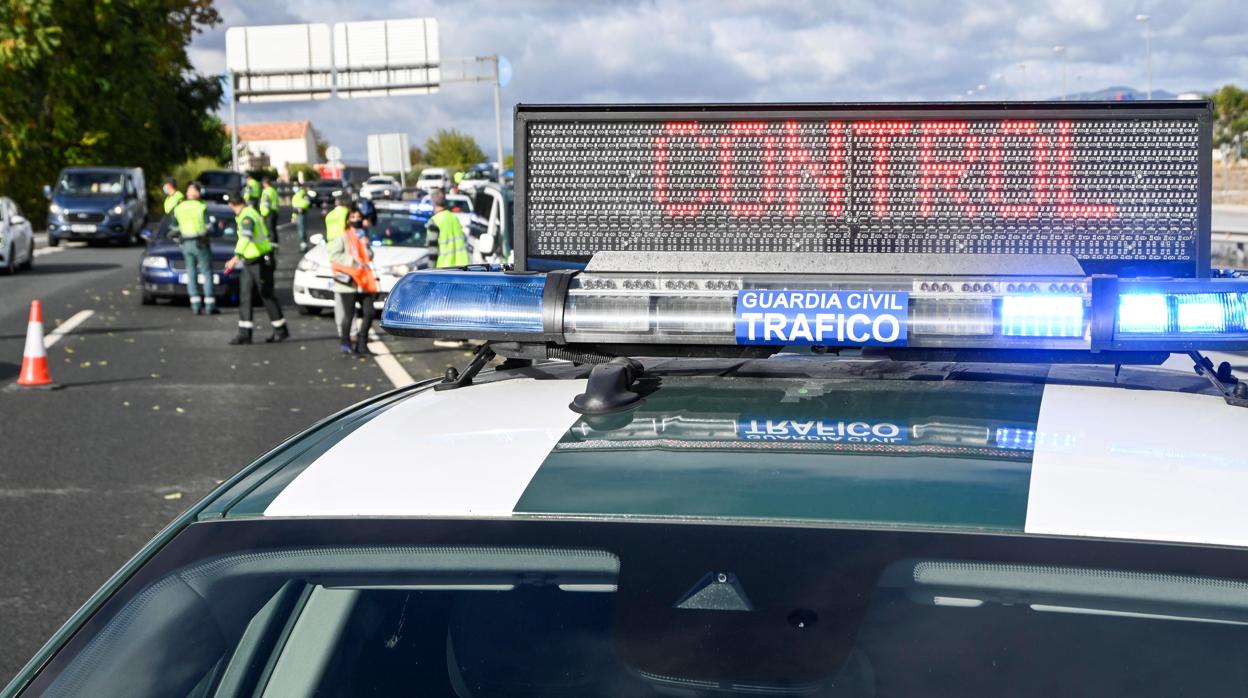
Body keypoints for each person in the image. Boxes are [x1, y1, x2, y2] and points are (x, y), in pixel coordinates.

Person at [223, 194, 289, 345]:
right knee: (245, 295)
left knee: (266, 295)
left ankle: (280, 330)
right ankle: (244, 333)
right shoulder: (247, 213)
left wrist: (235, 257)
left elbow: (246, 236)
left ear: (231, 205)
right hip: (250, 261)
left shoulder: (247, 216)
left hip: (260, 261)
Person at [329, 207, 379, 354]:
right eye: (353, 217)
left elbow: (369, 257)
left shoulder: (363, 236)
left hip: (363, 281)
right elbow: (334, 256)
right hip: (348, 282)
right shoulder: (342, 236)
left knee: (369, 312)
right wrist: (352, 261)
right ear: (347, 220)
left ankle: (362, 341)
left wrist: (365, 243)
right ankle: (345, 342)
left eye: (358, 217)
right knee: (349, 314)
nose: (356, 220)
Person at [171, 184, 217, 315]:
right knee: (207, 273)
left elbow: (173, 228)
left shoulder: (179, 208)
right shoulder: (201, 207)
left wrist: (179, 240)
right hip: (200, 243)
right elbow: (210, 227)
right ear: (198, 193)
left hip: (186, 244)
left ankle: (195, 305)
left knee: (191, 273)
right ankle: (209, 305)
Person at [427, 190, 469, 268]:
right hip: (461, 266)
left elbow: (433, 250)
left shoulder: (435, 221)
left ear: (433, 203)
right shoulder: (454, 218)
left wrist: (430, 271)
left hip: (443, 269)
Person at [259, 177, 281, 247]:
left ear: (265, 183)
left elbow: (266, 203)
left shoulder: (266, 191)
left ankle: (271, 244)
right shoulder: (273, 190)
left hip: (268, 212)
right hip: (274, 211)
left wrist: (263, 215)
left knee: (269, 229)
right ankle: (275, 243)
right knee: (273, 229)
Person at [291, 182, 312, 251]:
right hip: (297, 213)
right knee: (300, 230)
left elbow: (307, 202)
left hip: (301, 213)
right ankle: (303, 244)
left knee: (302, 230)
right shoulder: (296, 195)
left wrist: (302, 208)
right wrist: (293, 216)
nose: (294, 187)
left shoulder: (302, 193)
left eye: (296, 186)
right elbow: (294, 206)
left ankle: (304, 245)